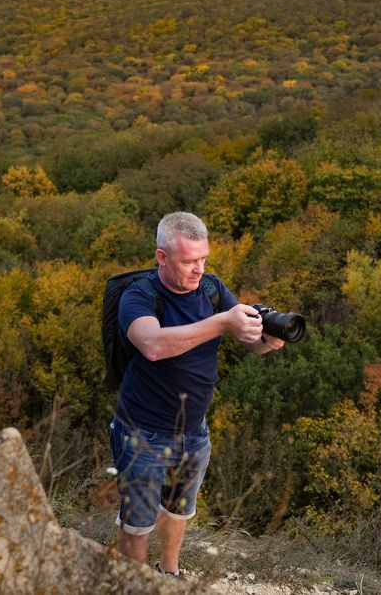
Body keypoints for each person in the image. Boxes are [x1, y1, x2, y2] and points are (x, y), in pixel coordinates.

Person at [110, 211, 285, 577]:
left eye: (203, 259)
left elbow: (245, 337)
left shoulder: (211, 288)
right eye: (188, 260)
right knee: (138, 520)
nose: (199, 269)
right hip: (143, 430)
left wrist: (267, 342)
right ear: (162, 257)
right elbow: (153, 345)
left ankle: (169, 574)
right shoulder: (138, 297)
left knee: (178, 508)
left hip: (193, 428)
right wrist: (223, 321)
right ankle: (134, 583)